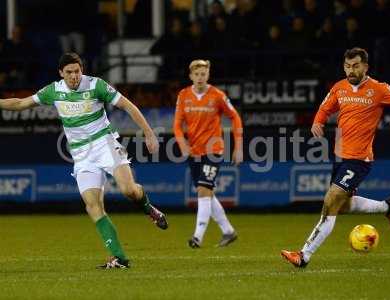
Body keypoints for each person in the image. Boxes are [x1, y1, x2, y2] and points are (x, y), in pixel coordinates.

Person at [0, 52, 168, 269]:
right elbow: (21, 104)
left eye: (77, 71)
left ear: (82, 70)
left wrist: (149, 133)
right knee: (93, 205)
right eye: (69, 72)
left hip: (106, 144)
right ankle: (120, 258)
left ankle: (148, 208)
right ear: (61, 73)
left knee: (129, 191)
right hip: (82, 155)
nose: (74, 76)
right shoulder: (53, 90)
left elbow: (128, 106)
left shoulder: (96, 85)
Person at [281, 47, 390, 268]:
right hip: (340, 157)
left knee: (331, 200)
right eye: (347, 66)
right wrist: (318, 121)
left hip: (359, 159)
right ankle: (388, 206)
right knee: (342, 206)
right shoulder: (339, 88)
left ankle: (303, 255)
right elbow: (325, 108)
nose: (350, 70)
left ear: (366, 66)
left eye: (355, 65)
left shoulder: (379, 89)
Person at [173, 59, 243, 248]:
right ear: (191, 76)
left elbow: (235, 117)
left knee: (204, 190)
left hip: (213, 150)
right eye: (197, 74)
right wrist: (182, 143)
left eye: (203, 74)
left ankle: (197, 237)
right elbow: (177, 125)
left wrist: (239, 147)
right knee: (207, 193)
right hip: (194, 151)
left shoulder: (217, 95)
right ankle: (228, 231)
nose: (200, 77)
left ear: (208, 75)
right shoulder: (184, 95)